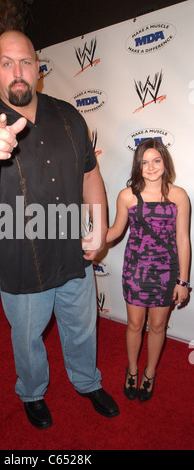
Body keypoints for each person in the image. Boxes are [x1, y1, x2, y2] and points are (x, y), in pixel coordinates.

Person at [0, 30, 119, 429]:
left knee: (82, 328)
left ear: (38, 68)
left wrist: (99, 229)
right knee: (28, 341)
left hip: (73, 256)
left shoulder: (68, 115)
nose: (17, 71)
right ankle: (32, 392)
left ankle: (86, 382)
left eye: (25, 61)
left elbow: (90, 176)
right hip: (21, 262)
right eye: (7, 63)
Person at [106, 138, 190, 402]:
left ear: (165, 162)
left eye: (156, 160)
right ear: (137, 165)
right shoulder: (127, 196)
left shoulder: (179, 195)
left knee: (157, 326)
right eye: (144, 162)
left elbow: (183, 239)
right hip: (136, 271)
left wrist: (183, 281)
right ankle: (132, 370)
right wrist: (93, 238)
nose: (151, 167)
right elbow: (116, 231)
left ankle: (150, 373)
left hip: (166, 273)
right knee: (134, 324)